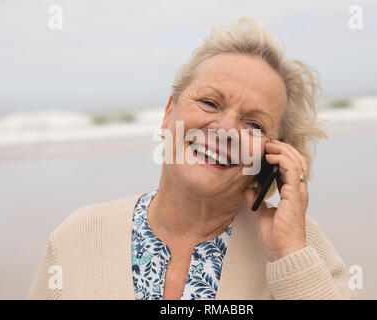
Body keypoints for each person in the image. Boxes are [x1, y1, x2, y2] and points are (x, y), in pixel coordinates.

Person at [29, 17, 358, 300]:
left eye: (254, 124)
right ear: (168, 113)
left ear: (271, 157)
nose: (226, 129)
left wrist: (288, 254)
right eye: (210, 103)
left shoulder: (300, 243)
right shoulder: (77, 236)